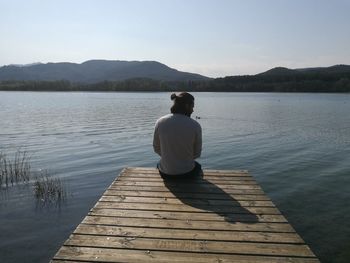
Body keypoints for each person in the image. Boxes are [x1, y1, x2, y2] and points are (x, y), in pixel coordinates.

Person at [153, 92, 202, 179]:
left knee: (159, 163)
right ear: (187, 106)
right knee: (198, 167)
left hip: (165, 174)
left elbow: (156, 148)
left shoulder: (160, 122)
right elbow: (197, 154)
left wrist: (170, 158)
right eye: (192, 107)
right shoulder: (195, 125)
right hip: (187, 174)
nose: (193, 110)